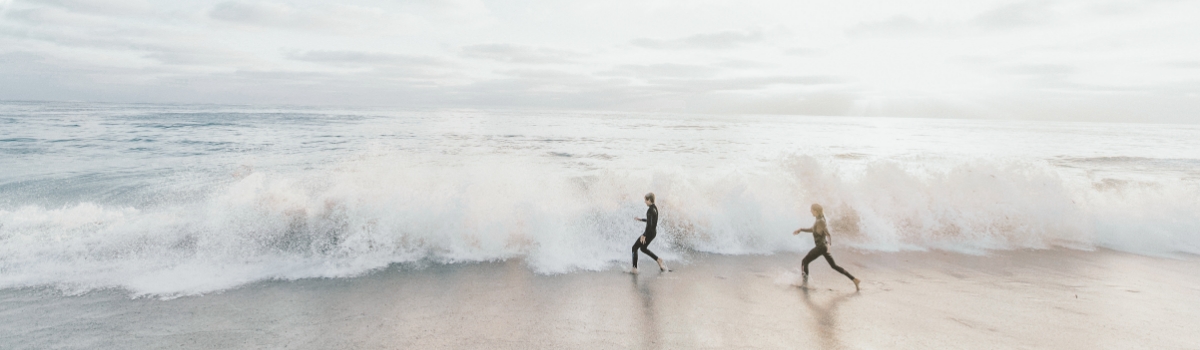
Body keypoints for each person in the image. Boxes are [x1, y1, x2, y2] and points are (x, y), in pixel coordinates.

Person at [793, 203, 860, 291]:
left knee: (804, 261)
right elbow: (813, 229)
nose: (810, 211)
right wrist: (801, 229)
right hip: (822, 247)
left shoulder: (821, 221)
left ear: (815, 211)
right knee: (834, 266)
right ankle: (854, 279)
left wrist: (829, 245)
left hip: (821, 247)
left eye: (811, 210)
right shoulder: (818, 219)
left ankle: (804, 284)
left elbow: (828, 234)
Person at [632, 192, 668, 274]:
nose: (645, 202)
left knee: (634, 247)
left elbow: (650, 225)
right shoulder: (654, 208)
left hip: (649, 233)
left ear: (649, 200)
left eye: (645, 200)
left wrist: (644, 235)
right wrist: (641, 219)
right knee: (643, 248)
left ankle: (634, 269)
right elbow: (651, 221)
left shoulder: (650, 210)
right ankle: (658, 259)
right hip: (652, 233)